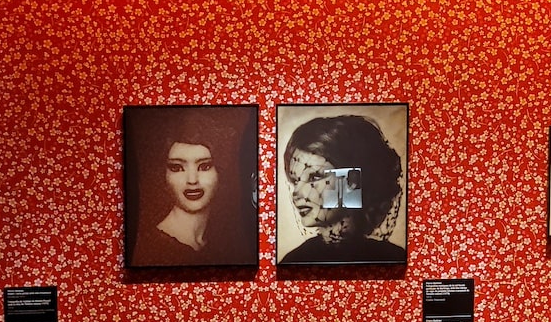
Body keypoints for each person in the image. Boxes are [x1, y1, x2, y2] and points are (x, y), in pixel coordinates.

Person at [128, 110, 255, 267]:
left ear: (221, 172)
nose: (192, 180)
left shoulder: (225, 245)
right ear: (164, 175)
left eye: (204, 166)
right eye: (177, 168)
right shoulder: (149, 248)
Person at [279, 115, 405, 265]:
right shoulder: (296, 262)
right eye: (295, 181)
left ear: (352, 181)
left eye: (314, 177)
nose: (296, 193)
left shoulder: (392, 258)